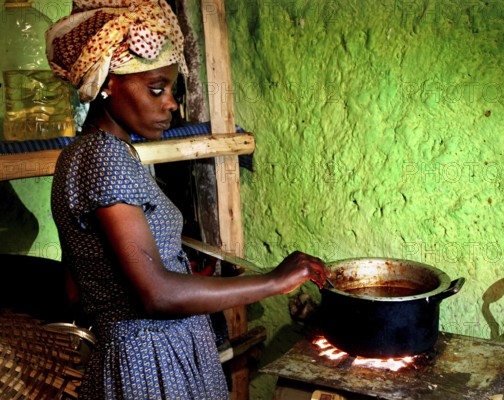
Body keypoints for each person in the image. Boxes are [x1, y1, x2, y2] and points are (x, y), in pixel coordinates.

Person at [46, 1, 330, 399]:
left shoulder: (89, 154)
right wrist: (272, 280)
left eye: (173, 91)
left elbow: (77, 291)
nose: (171, 104)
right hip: (150, 364)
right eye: (156, 89)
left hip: (145, 355)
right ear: (109, 83)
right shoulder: (104, 157)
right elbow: (157, 295)